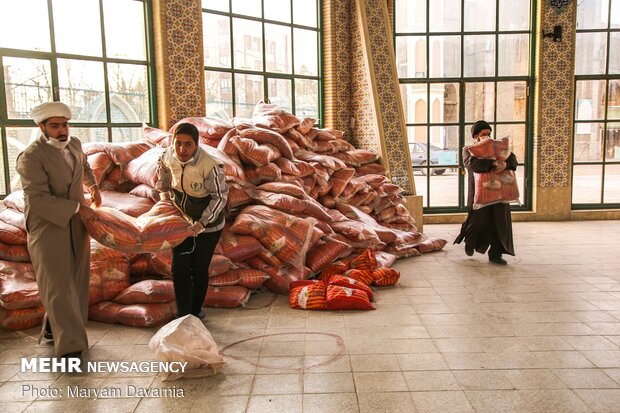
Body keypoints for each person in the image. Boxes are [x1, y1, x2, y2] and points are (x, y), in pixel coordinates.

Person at [16, 101, 101, 359]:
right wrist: (79, 208)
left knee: (75, 280)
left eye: (64, 124)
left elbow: (83, 165)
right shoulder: (31, 157)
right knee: (57, 284)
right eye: (55, 126)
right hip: (47, 226)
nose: (62, 130)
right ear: (42, 127)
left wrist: (93, 185)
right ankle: (71, 346)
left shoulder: (73, 144)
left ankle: (54, 330)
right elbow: (38, 199)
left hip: (76, 223)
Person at [156, 122, 228, 319]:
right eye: (178, 143)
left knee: (198, 267)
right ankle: (182, 313)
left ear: (196, 144)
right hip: (183, 220)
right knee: (179, 266)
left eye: (188, 144)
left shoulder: (209, 165)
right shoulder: (169, 154)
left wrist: (202, 223)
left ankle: (195, 312)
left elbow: (220, 197)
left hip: (209, 225)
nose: (182, 149)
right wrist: (163, 188)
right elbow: (161, 165)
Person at [454, 120, 517, 265]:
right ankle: (470, 242)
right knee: (477, 222)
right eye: (483, 134)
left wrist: (505, 163)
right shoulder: (468, 149)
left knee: (500, 224)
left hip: (500, 194)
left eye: (489, 134)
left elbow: (512, 159)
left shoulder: (498, 146)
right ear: (475, 136)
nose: (487, 137)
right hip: (481, 194)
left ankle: (495, 255)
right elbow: (472, 164)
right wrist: (492, 163)